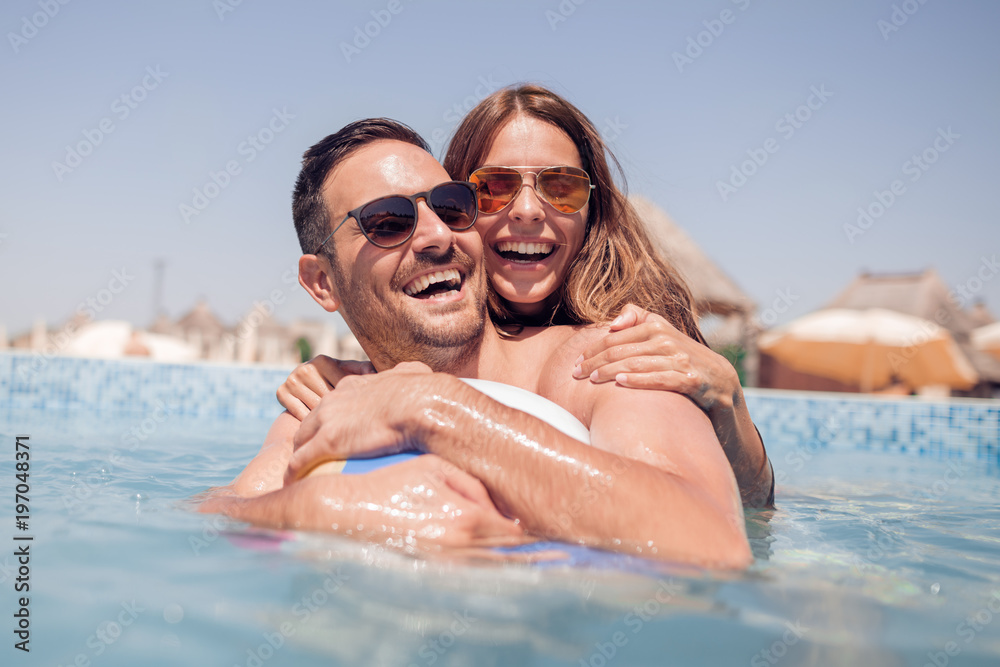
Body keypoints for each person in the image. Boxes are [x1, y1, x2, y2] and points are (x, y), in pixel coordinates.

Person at [201, 119, 751, 569]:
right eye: (387, 221)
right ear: (322, 282)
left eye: (450, 205)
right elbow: (216, 516)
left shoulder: (604, 360)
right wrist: (318, 506)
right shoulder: (332, 399)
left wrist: (432, 410)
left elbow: (714, 543)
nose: (437, 234)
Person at [277, 85, 773, 508]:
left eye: (562, 187)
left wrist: (727, 397)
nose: (529, 211)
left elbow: (717, 522)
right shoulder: (392, 355)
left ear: (592, 214)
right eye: (492, 188)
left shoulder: (617, 349)